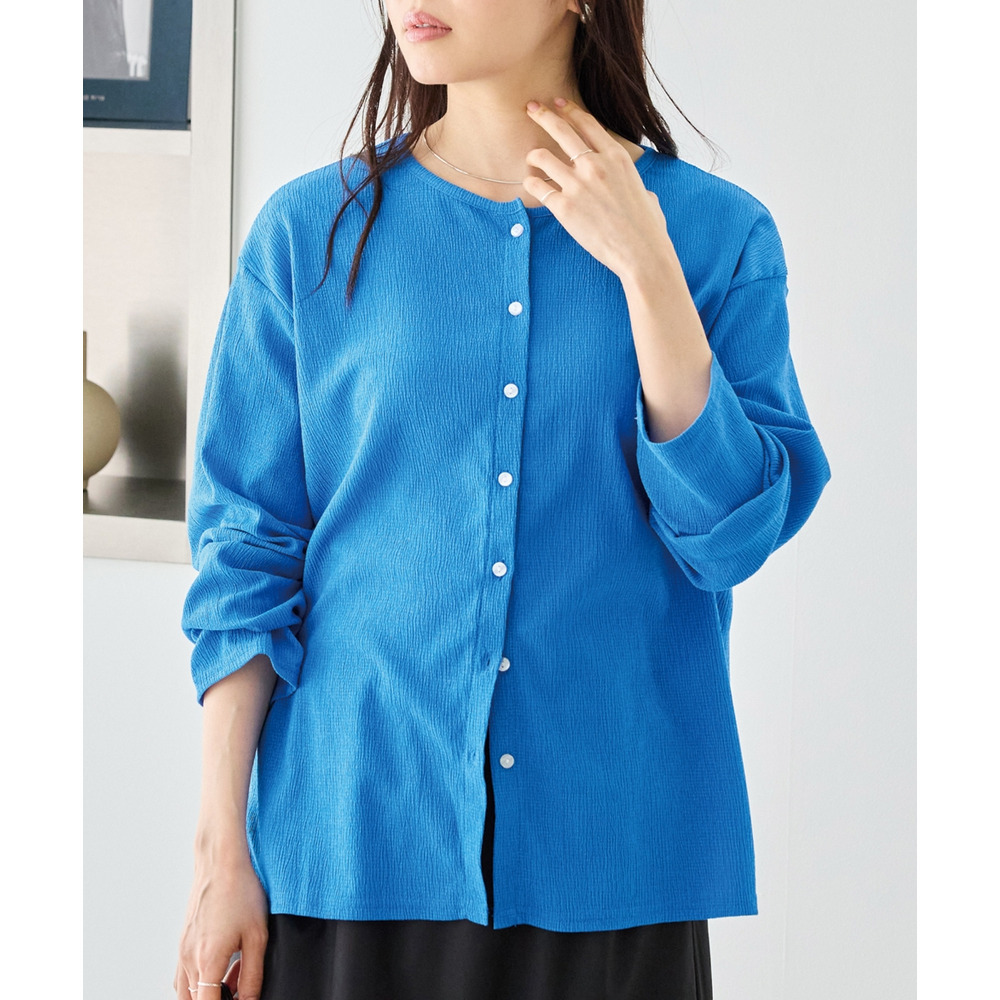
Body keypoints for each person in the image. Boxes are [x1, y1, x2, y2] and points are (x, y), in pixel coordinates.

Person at [173, 1, 832, 998]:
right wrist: (221, 855)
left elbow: (729, 537)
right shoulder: (310, 234)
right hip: (351, 849)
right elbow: (247, 555)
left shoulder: (717, 235)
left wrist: (646, 265)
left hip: (609, 859)